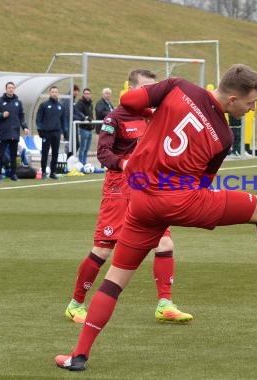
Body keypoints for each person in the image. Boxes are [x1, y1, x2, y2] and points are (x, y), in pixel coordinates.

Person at [55, 64, 257, 371]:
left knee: (115, 280)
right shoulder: (222, 136)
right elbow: (203, 184)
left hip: (140, 202)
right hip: (180, 200)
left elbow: (130, 102)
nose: (252, 108)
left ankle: (79, 355)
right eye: (250, 103)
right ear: (231, 99)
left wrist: (157, 113)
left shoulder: (177, 86)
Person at [63, 69, 192, 325]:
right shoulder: (115, 117)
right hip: (119, 187)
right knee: (102, 248)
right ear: (132, 89)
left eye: (153, 89)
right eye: (146, 89)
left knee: (164, 242)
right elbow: (103, 154)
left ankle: (164, 304)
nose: (151, 94)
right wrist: (125, 165)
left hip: (148, 186)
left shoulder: (152, 115)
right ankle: (75, 304)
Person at [0, 81, 29, 181]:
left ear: (14, 89)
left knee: (13, 155)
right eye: (9, 88)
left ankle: (13, 174)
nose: (11, 89)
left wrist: (24, 127)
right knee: (1, 154)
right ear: (6, 89)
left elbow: (22, 116)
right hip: (3, 133)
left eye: (12, 88)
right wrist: (2, 115)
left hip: (14, 133)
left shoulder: (18, 102)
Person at [36, 86, 66, 180]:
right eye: (52, 92)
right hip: (46, 133)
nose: (54, 93)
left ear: (58, 93)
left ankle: (53, 172)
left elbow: (63, 120)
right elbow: (38, 118)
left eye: (56, 92)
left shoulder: (60, 106)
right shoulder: (44, 105)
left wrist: (64, 132)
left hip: (56, 133)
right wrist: (40, 129)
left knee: (55, 153)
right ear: (50, 93)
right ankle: (44, 172)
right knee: (45, 153)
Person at [74, 88, 94, 165]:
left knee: (87, 148)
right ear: (83, 94)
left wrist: (92, 123)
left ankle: (85, 163)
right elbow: (78, 113)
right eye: (85, 93)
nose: (87, 95)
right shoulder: (80, 103)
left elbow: (91, 115)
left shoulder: (90, 104)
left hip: (89, 129)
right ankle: (81, 164)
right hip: (83, 128)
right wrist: (85, 118)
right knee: (83, 148)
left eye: (88, 93)